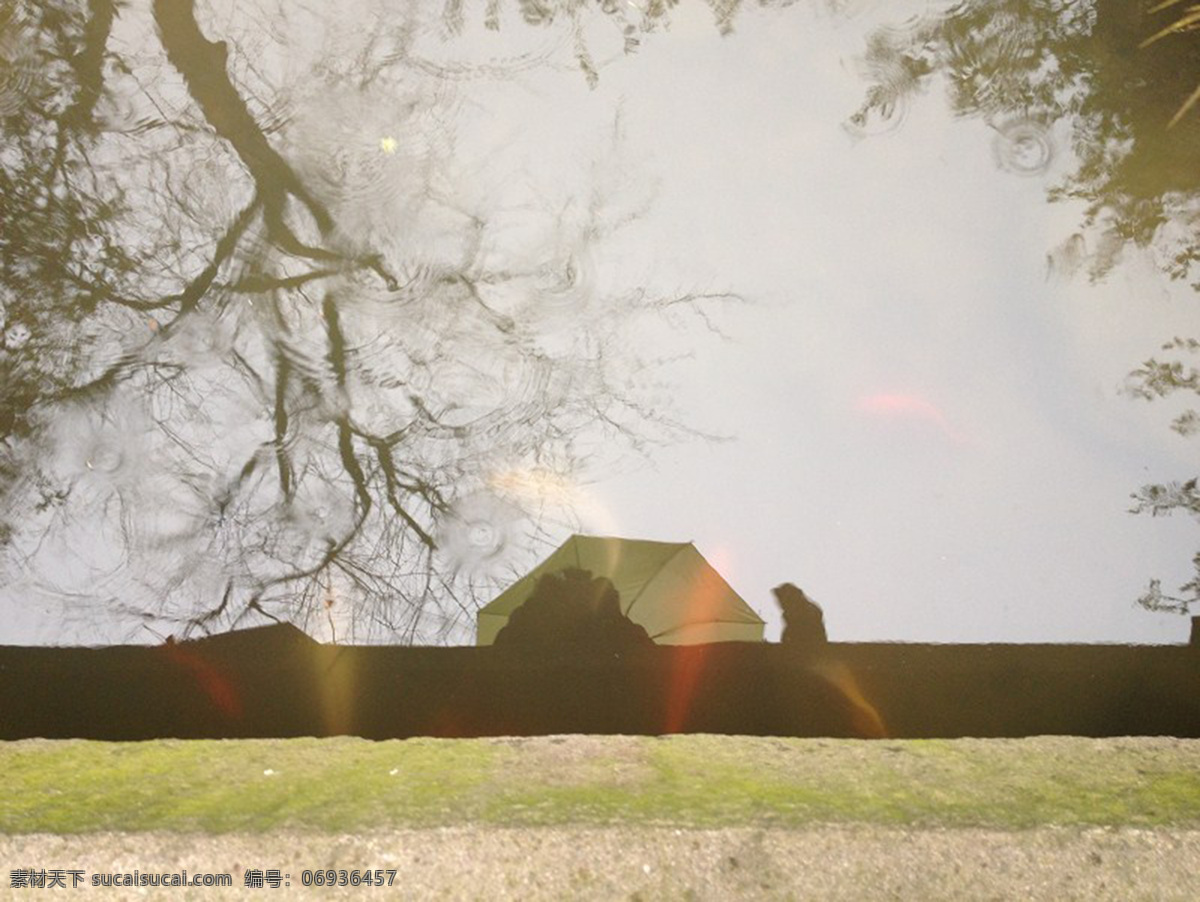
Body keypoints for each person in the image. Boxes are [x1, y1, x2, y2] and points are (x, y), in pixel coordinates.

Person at [773, 583, 827, 651]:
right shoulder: (790, 614)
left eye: (781, 598)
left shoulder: (808, 612)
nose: (779, 603)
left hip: (809, 652)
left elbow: (803, 636)